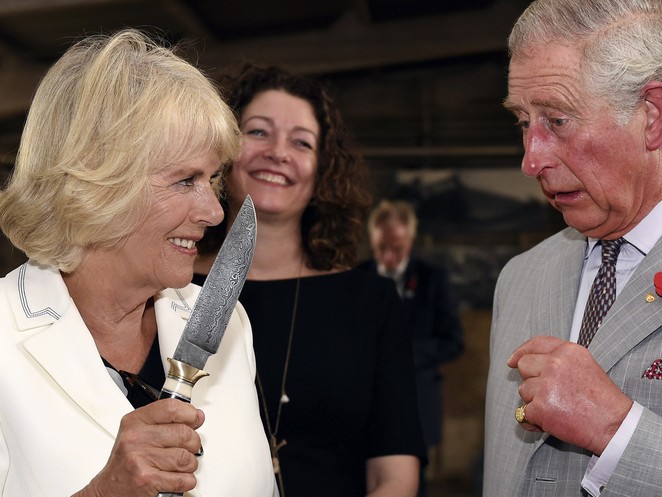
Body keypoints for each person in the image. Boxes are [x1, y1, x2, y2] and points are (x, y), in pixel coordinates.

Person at [0, 30, 277, 497]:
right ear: (99, 185)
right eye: (185, 180)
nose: (214, 212)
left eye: (212, 179)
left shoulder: (223, 320)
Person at [193, 63, 426, 497]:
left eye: (301, 142)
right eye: (258, 132)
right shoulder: (169, 288)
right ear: (222, 151)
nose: (278, 152)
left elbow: (395, 474)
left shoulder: (369, 303)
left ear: (323, 172)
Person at [484, 1, 662, 496]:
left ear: (652, 116)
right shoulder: (521, 276)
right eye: (524, 121)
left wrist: (614, 429)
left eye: (557, 121)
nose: (531, 160)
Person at [357, 199, 464, 497]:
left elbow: (453, 342)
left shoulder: (432, 279)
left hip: (417, 400)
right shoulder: (357, 277)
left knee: (414, 481)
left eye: (398, 248)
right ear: (371, 240)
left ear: (411, 241)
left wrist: (402, 354)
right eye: (381, 248)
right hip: (363, 401)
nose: (389, 257)